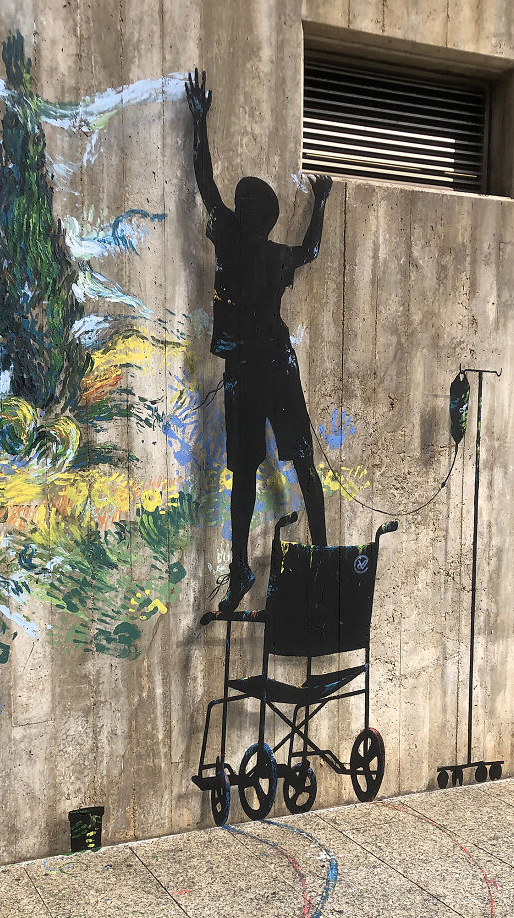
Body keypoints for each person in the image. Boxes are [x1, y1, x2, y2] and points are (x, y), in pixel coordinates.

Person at [186, 67, 332, 613]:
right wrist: (319, 204)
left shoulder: (237, 239)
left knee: (286, 463)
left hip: (257, 369)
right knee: (273, 465)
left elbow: (206, 183)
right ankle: (270, 563)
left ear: (256, 217)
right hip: (258, 368)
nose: (245, 214)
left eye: (251, 210)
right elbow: (309, 250)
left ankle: (305, 560)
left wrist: (200, 125)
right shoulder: (260, 248)